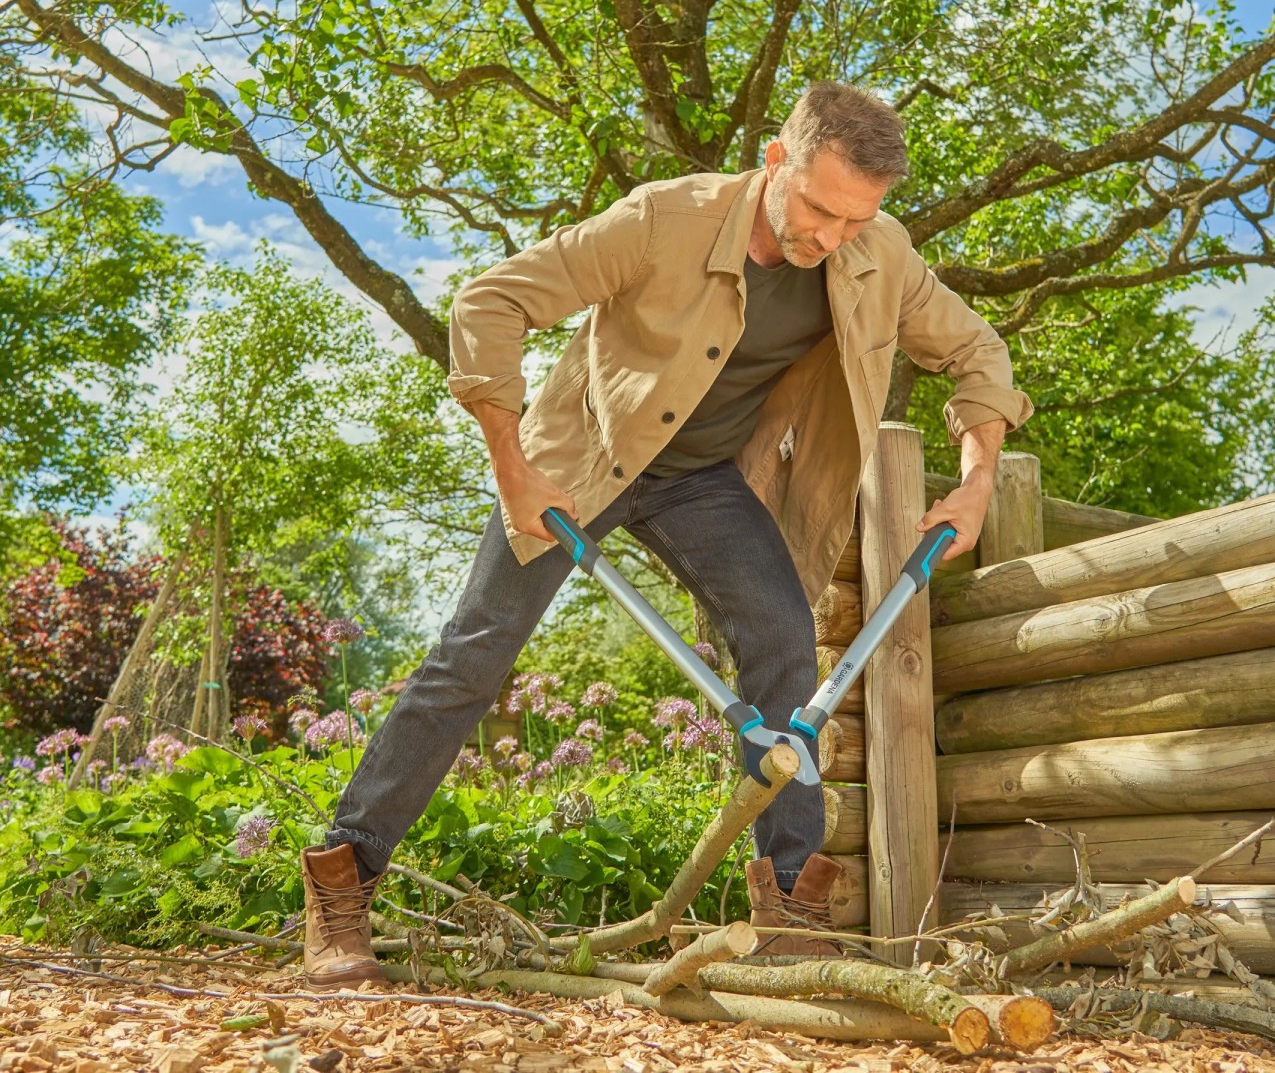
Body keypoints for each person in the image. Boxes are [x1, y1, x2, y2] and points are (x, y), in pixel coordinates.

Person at [299, 82, 1033, 985]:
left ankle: (792, 904)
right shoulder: (662, 219)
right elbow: (491, 303)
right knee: (475, 655)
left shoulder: (877, 254)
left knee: (781, 640)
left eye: (855, 220)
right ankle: (343, 878)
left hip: (699, 480)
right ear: (775, 159)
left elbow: (976, 353)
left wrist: (975, 482)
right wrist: (511, 468)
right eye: (817, 209)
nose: (831, 239)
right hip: (582, 460)